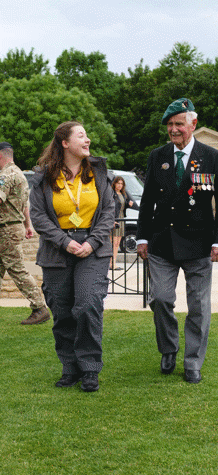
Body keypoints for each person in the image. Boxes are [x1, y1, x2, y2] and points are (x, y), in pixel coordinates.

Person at [136, 98, 218, 384]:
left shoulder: (212, 156)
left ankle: (192, 362)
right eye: (169, 125)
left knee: (199, 306)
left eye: (179, 124)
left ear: (193, 124)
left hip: (199, 244)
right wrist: (142, 237)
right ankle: (168, 349)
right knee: (161, 299)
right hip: (162, 243)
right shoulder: (158, 156)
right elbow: (147, 201)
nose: (174, 130)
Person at [29, 121, 115, 392]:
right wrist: (65, 242)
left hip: (93, 248)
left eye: (87, 135)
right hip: (57, 249)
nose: (87, 140)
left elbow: (109, 211)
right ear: (65, 143)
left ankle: (90, 368)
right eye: (81, 136)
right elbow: (39, 217)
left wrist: (91, 242)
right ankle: (70, 368)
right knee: (63, 310)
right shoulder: (43, 177)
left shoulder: (99, 172)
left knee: (88, 304)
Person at [0, 142, 50, 325]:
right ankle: (39, 307)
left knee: (17, 270)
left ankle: (40, 307)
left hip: (6, 230)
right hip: (12, 227)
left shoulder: (5, 175)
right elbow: (24, 204)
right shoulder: (19, 173)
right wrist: (27, 225)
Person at [110, 176, 137, 270]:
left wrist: (127, 205)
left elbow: (121, 207)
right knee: (112, 242)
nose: (120, 185)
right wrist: (112, 220)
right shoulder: (111, 194)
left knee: (117, 243)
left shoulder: (122, 194)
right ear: (114, 183)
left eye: (121, 184)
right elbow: (110, 208)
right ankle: (111, 263)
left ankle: (114, 263)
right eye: (118, 183)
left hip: (121, 218)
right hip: (115, 219)